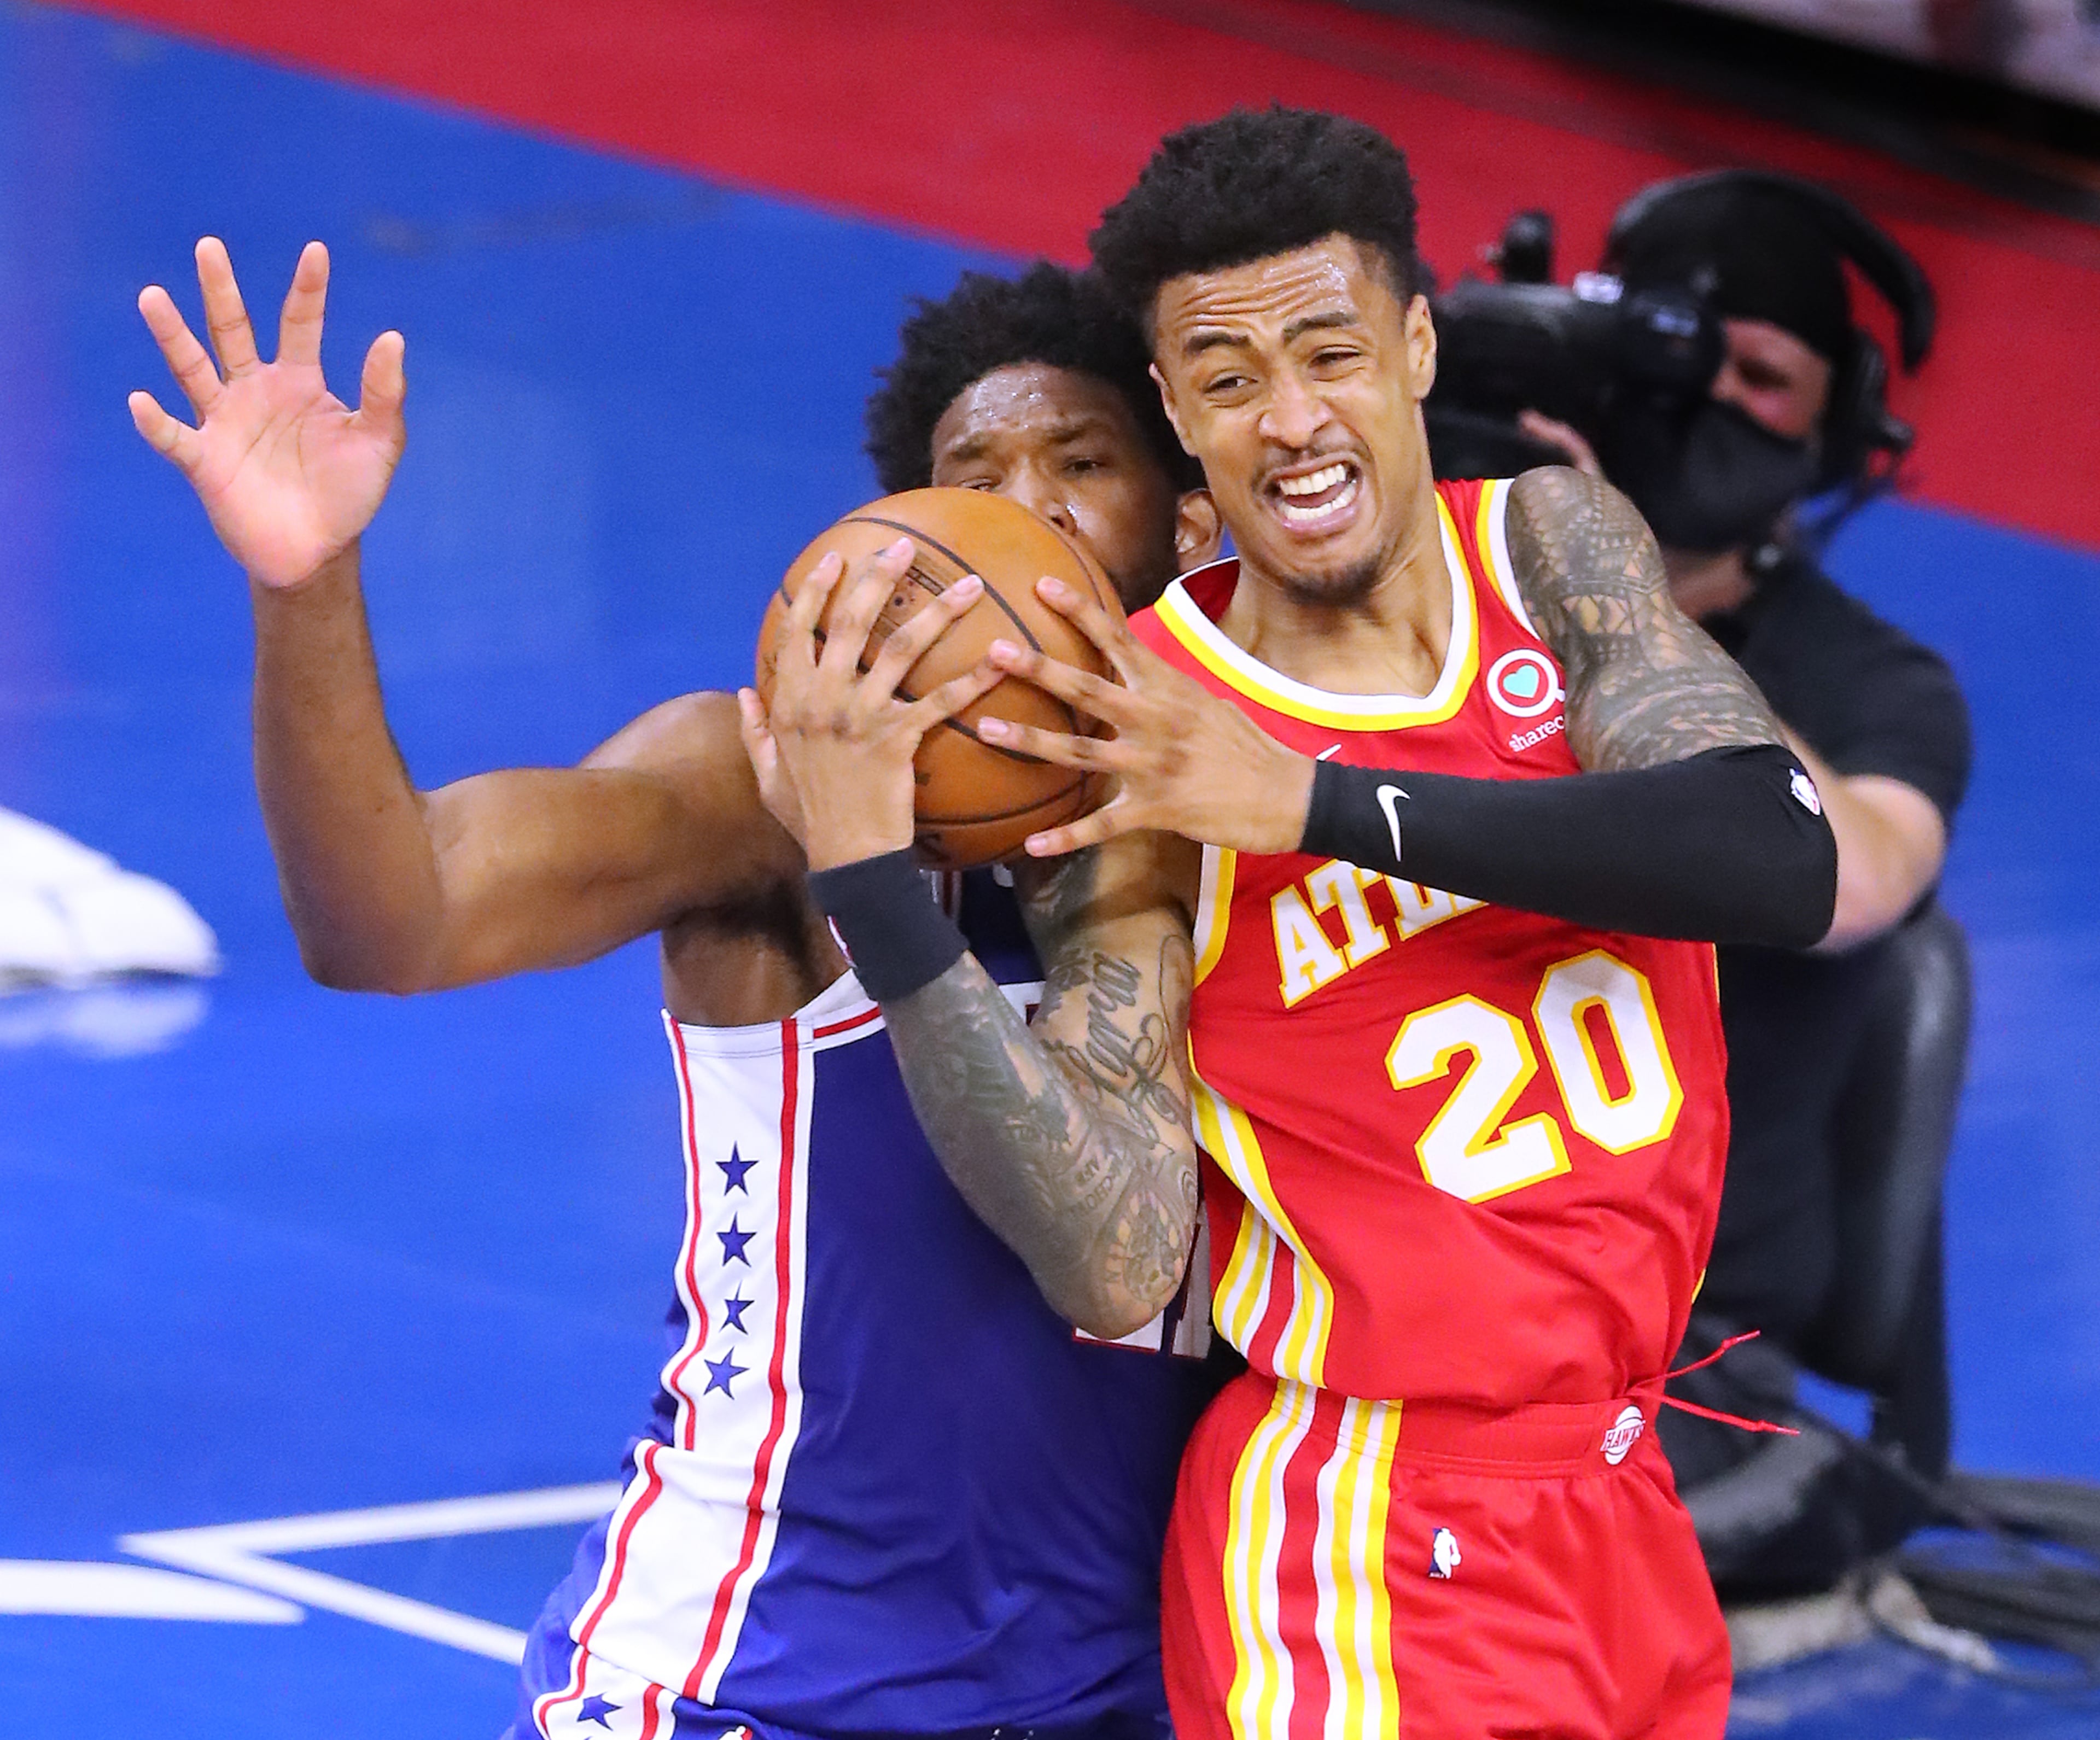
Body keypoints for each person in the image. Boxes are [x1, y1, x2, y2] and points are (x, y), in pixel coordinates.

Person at [746, 108, 1837, 1740]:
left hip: (1619, 1488)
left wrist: (1313, 806)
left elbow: (1773, 861)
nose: (1292, 420)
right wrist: (882, 910)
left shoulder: (1549, 548)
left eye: (1328, 352)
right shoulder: (1132, 730)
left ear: (1412, 346)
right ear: (1181, 411)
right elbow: (1114, 1254)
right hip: (1366, 1531)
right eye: (1231, 379)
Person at [128, 242, 1226, 1740]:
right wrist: (305, 581)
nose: (1023, 511)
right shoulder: (760, 793)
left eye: (1081, 462)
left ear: (1189, 516)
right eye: (973, 478)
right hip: (745, 1687)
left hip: (1123, 1696)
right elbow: (394, 919)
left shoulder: (1267, 837)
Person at [1525, 175, 1974, 1595]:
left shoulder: (1883, 689)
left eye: (1762, 375)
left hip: (1682, 1357)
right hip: (1399, 1257)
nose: (1708, 395)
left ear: (1835, 429)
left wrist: (1613, 593)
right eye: (1679, 348)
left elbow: (1848, 881)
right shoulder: (1447, 558)